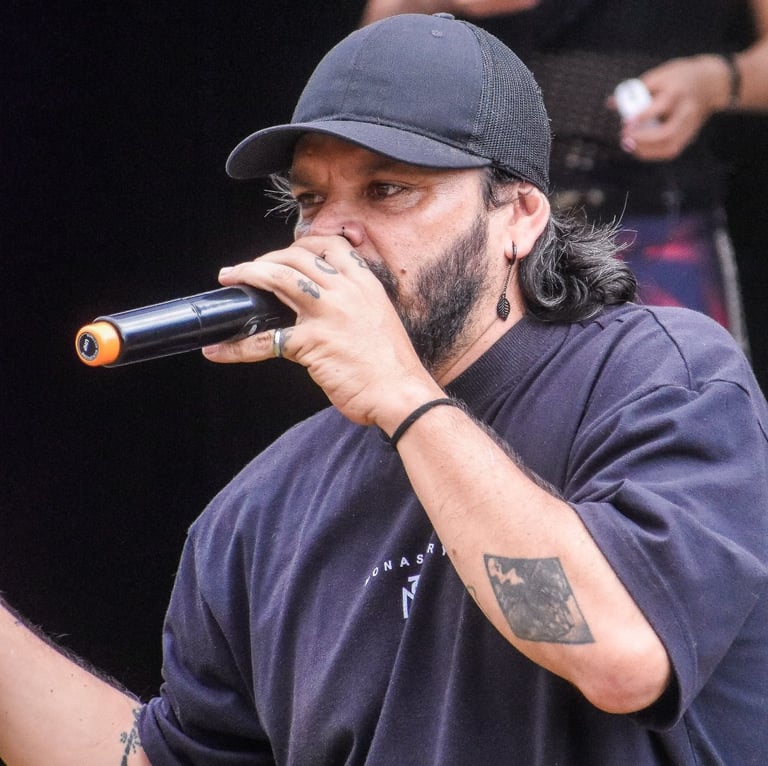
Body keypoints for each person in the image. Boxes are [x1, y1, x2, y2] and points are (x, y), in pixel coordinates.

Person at [1, 12, 767, 765]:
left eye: (389, 189)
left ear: (520, 216)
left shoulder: (660, 375)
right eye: (309, 200)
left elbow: (623, 657)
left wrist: (401, 394)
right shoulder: (257, 512)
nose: (329, 234)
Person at [362, 0, 768, 354]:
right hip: (478, 219)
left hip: (656, 222)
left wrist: (718, 81)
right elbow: (363, 59)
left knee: (686, 393)